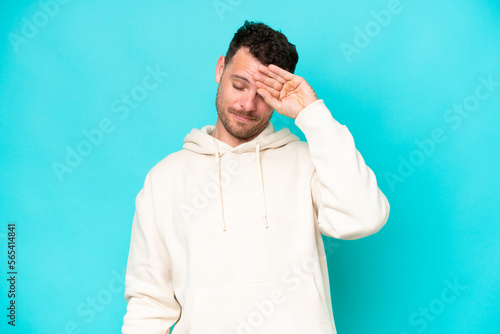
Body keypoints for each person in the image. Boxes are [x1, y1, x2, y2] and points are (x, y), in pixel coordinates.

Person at [122, 20, 390, 334]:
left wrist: (313, 113)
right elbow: (148, 306)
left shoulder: (307, 163)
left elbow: (365, 217)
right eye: (239, 85)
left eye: (263, 94)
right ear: (220, 68)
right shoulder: (164, 179)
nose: (247, 104)